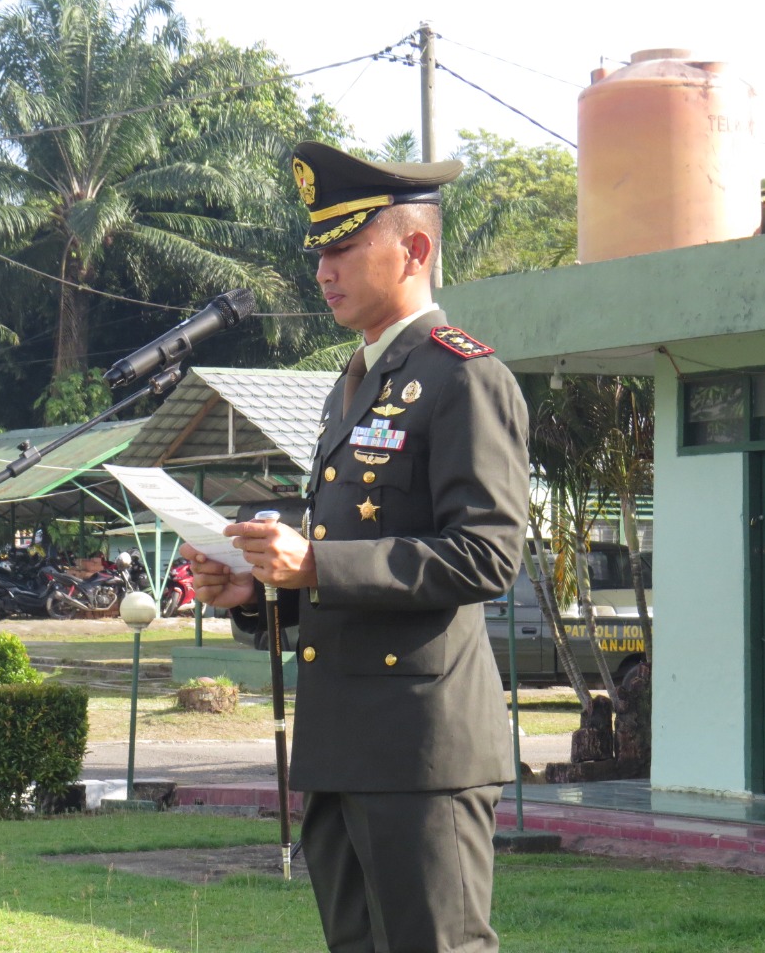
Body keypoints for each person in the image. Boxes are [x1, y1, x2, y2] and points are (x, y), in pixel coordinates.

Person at [182, 141, 529, 953]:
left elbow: (485, 554)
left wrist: (316, 564)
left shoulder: (463, 378)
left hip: (419, 742)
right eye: (320, 253)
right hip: (340, 736)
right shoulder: (354, 384)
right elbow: (346, 553)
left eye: (344, 247)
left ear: (414, 249)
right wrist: (262, 589)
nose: (324, 271)